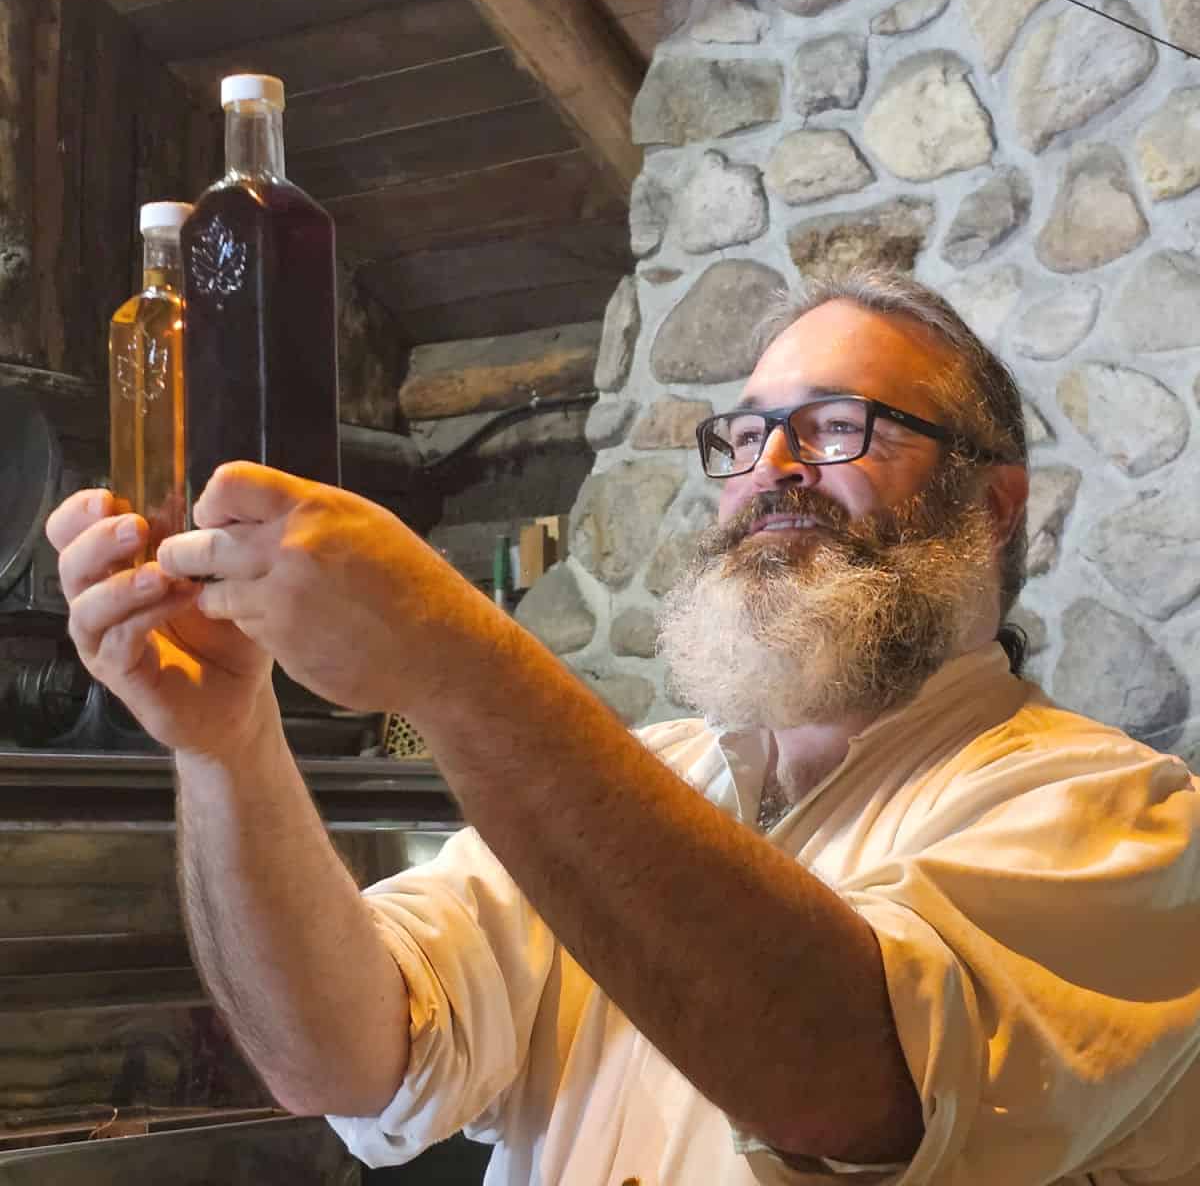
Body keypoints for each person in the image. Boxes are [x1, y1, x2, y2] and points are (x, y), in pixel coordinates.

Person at [46, 269, 1200, 1185]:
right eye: (744, 440)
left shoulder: (1121, 821)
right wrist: (229, 743)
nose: (775, 471)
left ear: (994, 508)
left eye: (840, 428)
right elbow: (338, 1058)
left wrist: (455, 658)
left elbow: (843, 1080)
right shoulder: (650, 779)